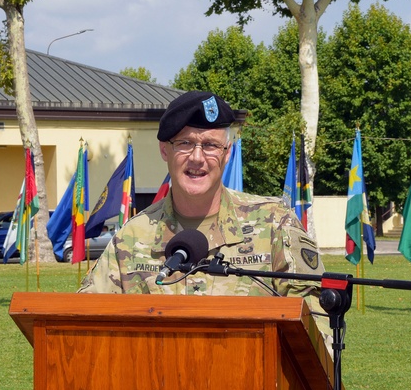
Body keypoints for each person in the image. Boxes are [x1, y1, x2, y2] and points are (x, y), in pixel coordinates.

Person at [78, 91, 324, 312]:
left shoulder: (274, 224)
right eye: (185, 143)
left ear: (226, 153)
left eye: (210, 145)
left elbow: (314, 318)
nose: (197, 158)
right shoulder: (131, 238)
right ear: (165, 151)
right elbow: (84, 318)